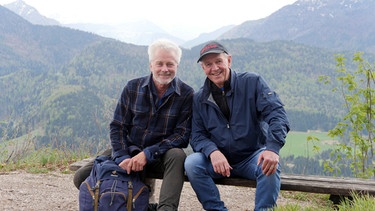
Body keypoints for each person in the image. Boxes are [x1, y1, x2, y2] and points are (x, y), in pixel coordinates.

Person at [74, 39, 194, 211]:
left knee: (177, 155)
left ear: (177, 65)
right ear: (151, 65)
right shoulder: (133, 87)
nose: (165, 69)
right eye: (159, 63)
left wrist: (147, 154)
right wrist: (122, 157)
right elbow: (118, 126)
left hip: (161, 155)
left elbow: (182, 135)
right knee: (81, 177)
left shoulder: (187, 93)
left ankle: (166, 209)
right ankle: (137, 203)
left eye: (170, 64)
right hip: (129, 149)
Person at [184, 41, 290, 211]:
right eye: (208, 64)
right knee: (192, 163)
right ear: (203, 68)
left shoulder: (252, 82)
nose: (215, 68)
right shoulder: (199, 98)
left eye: (219, 61)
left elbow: (277, 114)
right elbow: (197, 135)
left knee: (268, 165)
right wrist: (213, 152)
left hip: (251, 156)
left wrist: (272, 148)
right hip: (218, 162)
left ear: (229, 60)